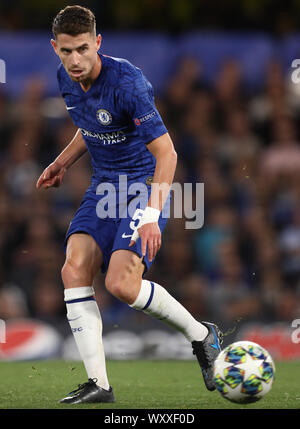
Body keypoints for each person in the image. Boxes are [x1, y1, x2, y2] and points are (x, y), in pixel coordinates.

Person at [36, 5, 222, 404]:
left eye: (83, 49)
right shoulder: (65, 79)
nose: (75, 60)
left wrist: (153, 215)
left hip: (141, 186)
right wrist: (60, 163)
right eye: (66, 51)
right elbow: (91, 127)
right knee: (73, 269)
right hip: (104, 187)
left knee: (120, 284)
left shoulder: (128, 83)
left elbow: (168, 154)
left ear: (97, 43)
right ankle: (99, 385)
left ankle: (202, 335)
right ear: (55, 48)